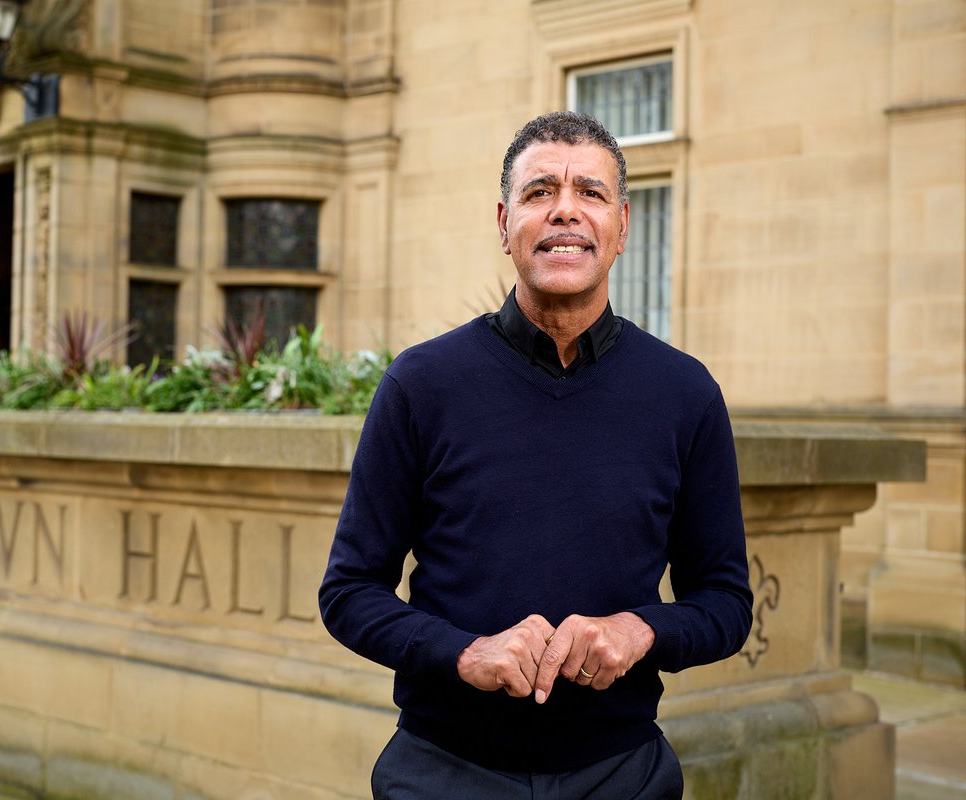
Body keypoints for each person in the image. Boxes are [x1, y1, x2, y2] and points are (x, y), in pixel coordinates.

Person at [318, 111, 753, 799]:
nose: (565, 211)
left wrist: (642, 630)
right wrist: (465, 652)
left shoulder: (684, 393)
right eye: (540, 191)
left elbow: (726, 604)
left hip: (622, 774)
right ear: (503, 223)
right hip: (443, 771)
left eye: (590, 192)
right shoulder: (422, 384)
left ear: (622, 227)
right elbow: (348, 593)